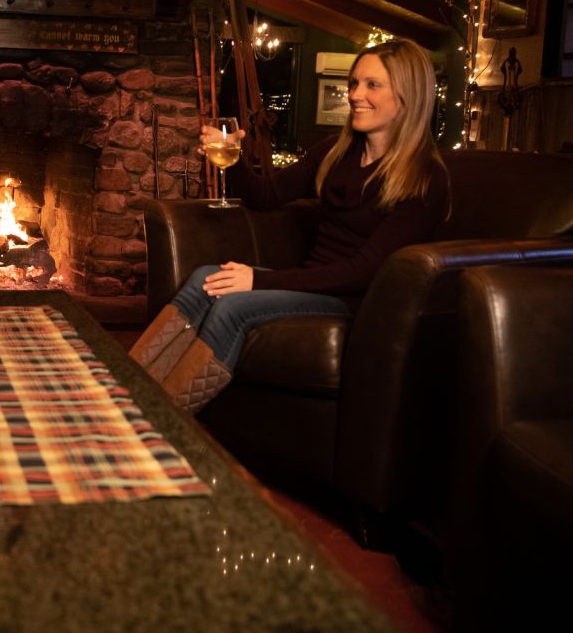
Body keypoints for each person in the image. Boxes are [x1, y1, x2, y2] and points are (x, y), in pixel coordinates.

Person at [130, 38, 450, 413]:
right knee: (205, 278)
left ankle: (159, 417)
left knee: (231, 307)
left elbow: (364, 271)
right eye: (353, 83)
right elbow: (266, 196)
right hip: (314, 283)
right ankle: (126, 388)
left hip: (358, 301)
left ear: (408, 96)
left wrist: (259, 280)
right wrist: (232, 160)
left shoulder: (425, 178)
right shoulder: (336, 151)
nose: (355, 95)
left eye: (372, 85)